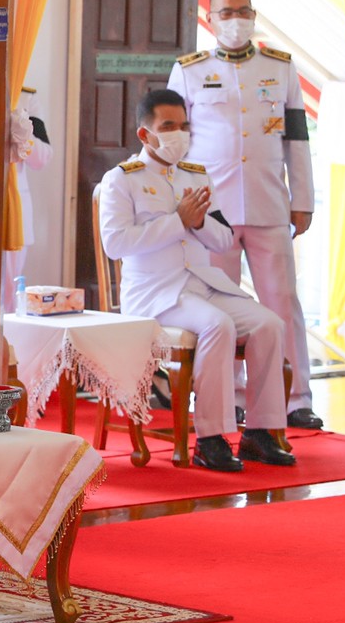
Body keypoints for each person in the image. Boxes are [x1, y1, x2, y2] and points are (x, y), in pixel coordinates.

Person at [97, 89, 294, 472]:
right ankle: (210, 439)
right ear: (144, 134)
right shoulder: (122, 180)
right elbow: (115, 244)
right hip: (155, 292)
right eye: (168, 127)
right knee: (216, 326)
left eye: (184, 126)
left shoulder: (196, 175)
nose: (179, 134)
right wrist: (178, 222)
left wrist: (200, 221)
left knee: (269, 325)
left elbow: (222, 238)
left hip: (202, 285)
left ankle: (260, 432)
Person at [168, 0, 321, 430]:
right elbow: (177, 142)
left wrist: (303, 200)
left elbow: (297, 139)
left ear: (253, 15)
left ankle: (296, 398)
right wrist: (183, 203)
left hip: (268, 201)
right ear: (210, 20)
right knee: (220, 303)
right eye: (224, 12)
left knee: (281, 301)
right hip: (211, 208)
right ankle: (229, 396)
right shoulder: (189, 71)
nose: (234, 19)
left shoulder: (281, 68)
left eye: (241, 11)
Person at [0, 86, 54, 310]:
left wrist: (23, 135)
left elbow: (43, 158)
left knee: (9, 292)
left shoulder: (25, 96)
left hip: (14, 207)